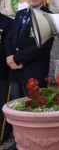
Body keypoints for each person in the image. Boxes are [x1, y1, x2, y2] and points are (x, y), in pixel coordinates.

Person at [4, 0, 54, 150]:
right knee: (17, 109)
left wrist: (17, 58)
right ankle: (19, 142)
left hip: (33, 72)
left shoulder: (48, 17)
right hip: (15, 72)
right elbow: (9, 39)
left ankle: (33, 143)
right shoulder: (20, 14)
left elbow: (42, 45)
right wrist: (10, 58)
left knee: (32, 110)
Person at [0, 12, 13, 143]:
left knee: (2, 104)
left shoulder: (7, 23)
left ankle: (2, 134)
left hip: (2, 72)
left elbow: (7, 48)